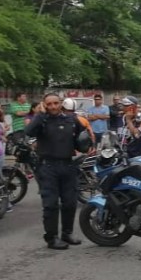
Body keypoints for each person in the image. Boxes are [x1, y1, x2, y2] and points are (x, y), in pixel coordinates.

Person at [25, 93, 89, 249]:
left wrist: (86, 144)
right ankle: (51, 238)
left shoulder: (71, 120)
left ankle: (67, 234)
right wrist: (40, 114)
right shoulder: (42, 120)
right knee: (51, 204)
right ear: (45, 105)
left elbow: (83, 136)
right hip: (48, 167)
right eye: (49, 104)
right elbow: (28, 131)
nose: (53, 106)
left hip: (68, 165)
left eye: (56, 103)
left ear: (60, 103)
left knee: (70, 202)